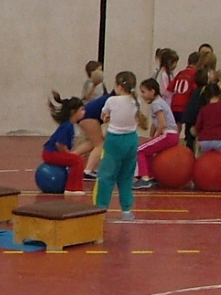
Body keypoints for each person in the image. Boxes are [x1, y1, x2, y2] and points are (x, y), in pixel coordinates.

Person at [94, 71, 144, 220]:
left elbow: (103, 116)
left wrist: (108, 117)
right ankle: (127, 210)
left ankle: (101, 208)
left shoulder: (112, 101)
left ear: (119, 86)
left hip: (114, 141)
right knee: (126, 177)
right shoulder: (137, 101)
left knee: (106, 176)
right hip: (131, 140)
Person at [134, 78, 178, 189]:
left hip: (168, 134)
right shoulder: (160, 102)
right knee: (148, 151)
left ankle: (145, 178)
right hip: (171, 134)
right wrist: (151, 137)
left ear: (152, 91)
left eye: (144, 92)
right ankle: (151, 176)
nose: (142, 95)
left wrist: (155, 137)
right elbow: (155, 124)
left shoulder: (156, 104)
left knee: (139, 150)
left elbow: (162, 124)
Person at [43, 95, 88, 195]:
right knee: (77, 160)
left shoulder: (69, 125)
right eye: (81, 110)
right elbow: (59, 144)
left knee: (77, 159)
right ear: (73, 112)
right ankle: (72, 188)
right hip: (50, 154)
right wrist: (68, 154)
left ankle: (75, 187)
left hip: (52, 153)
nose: (84, 112)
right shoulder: (67, 126)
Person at [169, 51, 199, 136]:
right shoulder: (194, 74)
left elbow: (170, 87)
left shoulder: (181, 73)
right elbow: (195, 90)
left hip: (175, 103)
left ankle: (174, 140)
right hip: (185, 104)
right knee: (188, 125)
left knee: (177, 126)